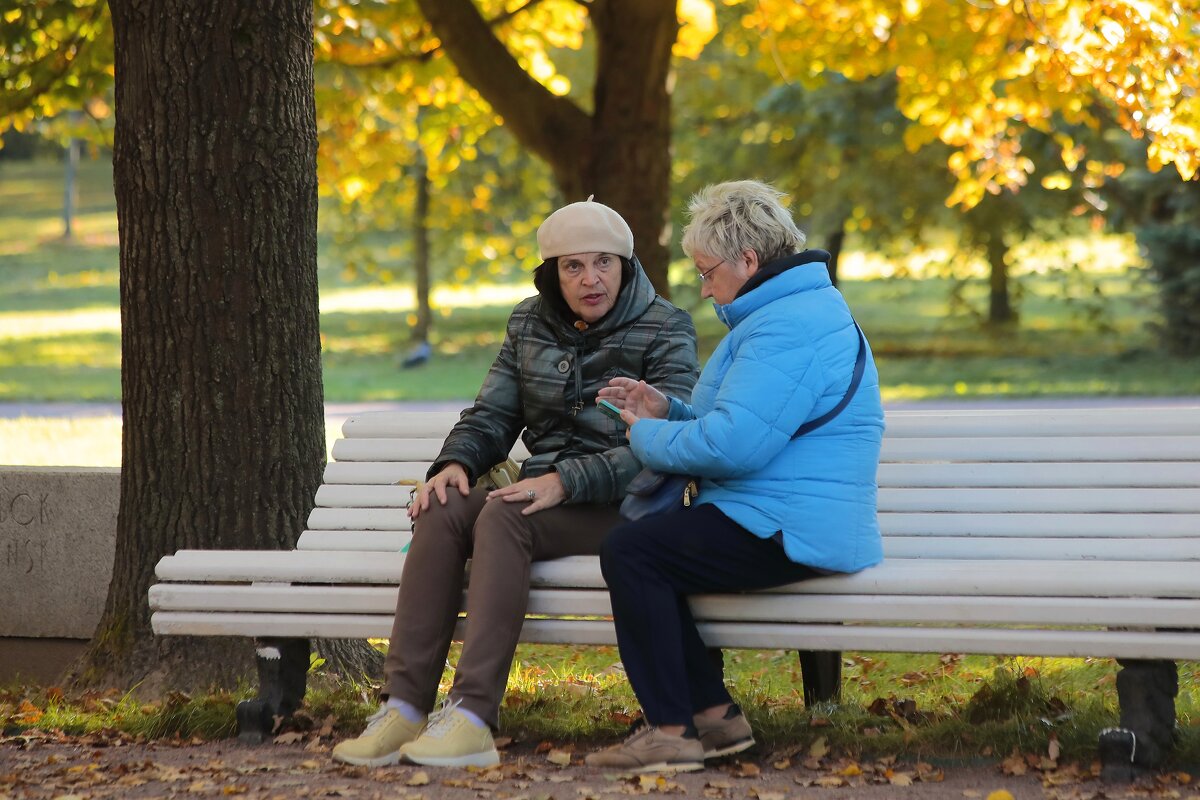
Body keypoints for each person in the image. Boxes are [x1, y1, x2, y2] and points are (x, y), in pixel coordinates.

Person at [331, 198, 700, 768]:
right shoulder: (530, 322)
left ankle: (473, 716)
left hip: (628, 503)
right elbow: (493, 413)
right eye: (572, 267)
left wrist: (565, 481)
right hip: (542, 496)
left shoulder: (667, 326)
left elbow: (666, 443)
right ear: (551, 273)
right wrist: (455, 463)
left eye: (603, 262)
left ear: (626, 264)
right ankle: (404, 707)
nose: (590, 278)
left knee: (503, 514)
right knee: (447, 505)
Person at [586, 180, 884, 773]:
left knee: (635, 551)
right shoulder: (788, 313)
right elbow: (743, 423)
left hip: (790, 528)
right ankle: (716, 720)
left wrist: (644, 437)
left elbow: (735, 445)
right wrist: (667, 411)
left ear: (747, 260)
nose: (704, 288)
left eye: (707, 271)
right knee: (649, 550)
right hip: (777, 514)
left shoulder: (787, 327)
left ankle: (672, 730)